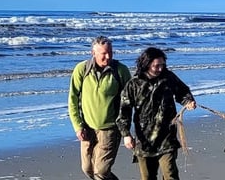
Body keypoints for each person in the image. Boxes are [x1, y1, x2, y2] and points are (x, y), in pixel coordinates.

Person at [117, 47, 196, 180]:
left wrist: (188, 101)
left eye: (162, 65)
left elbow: (182, 92)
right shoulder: (134, 84)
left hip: (167, 138)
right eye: (156, 66)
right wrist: (126, 134)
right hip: (144, 140)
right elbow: (124, 111)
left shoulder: (168, 77)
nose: (160, 69)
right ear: (147, 64)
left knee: (171, 174)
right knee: (148, 177)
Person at [68, 36, 132, 180]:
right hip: (87, 128)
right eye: (104, 53)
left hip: (110, 129)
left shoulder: (120, 70)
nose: (108, 56)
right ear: (93, 53)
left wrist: (126, 131)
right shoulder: (82, 69)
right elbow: (72, 99)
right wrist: (77, 126)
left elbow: (129, 102)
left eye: (110, 52)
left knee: (101, 171)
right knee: (87, 169)